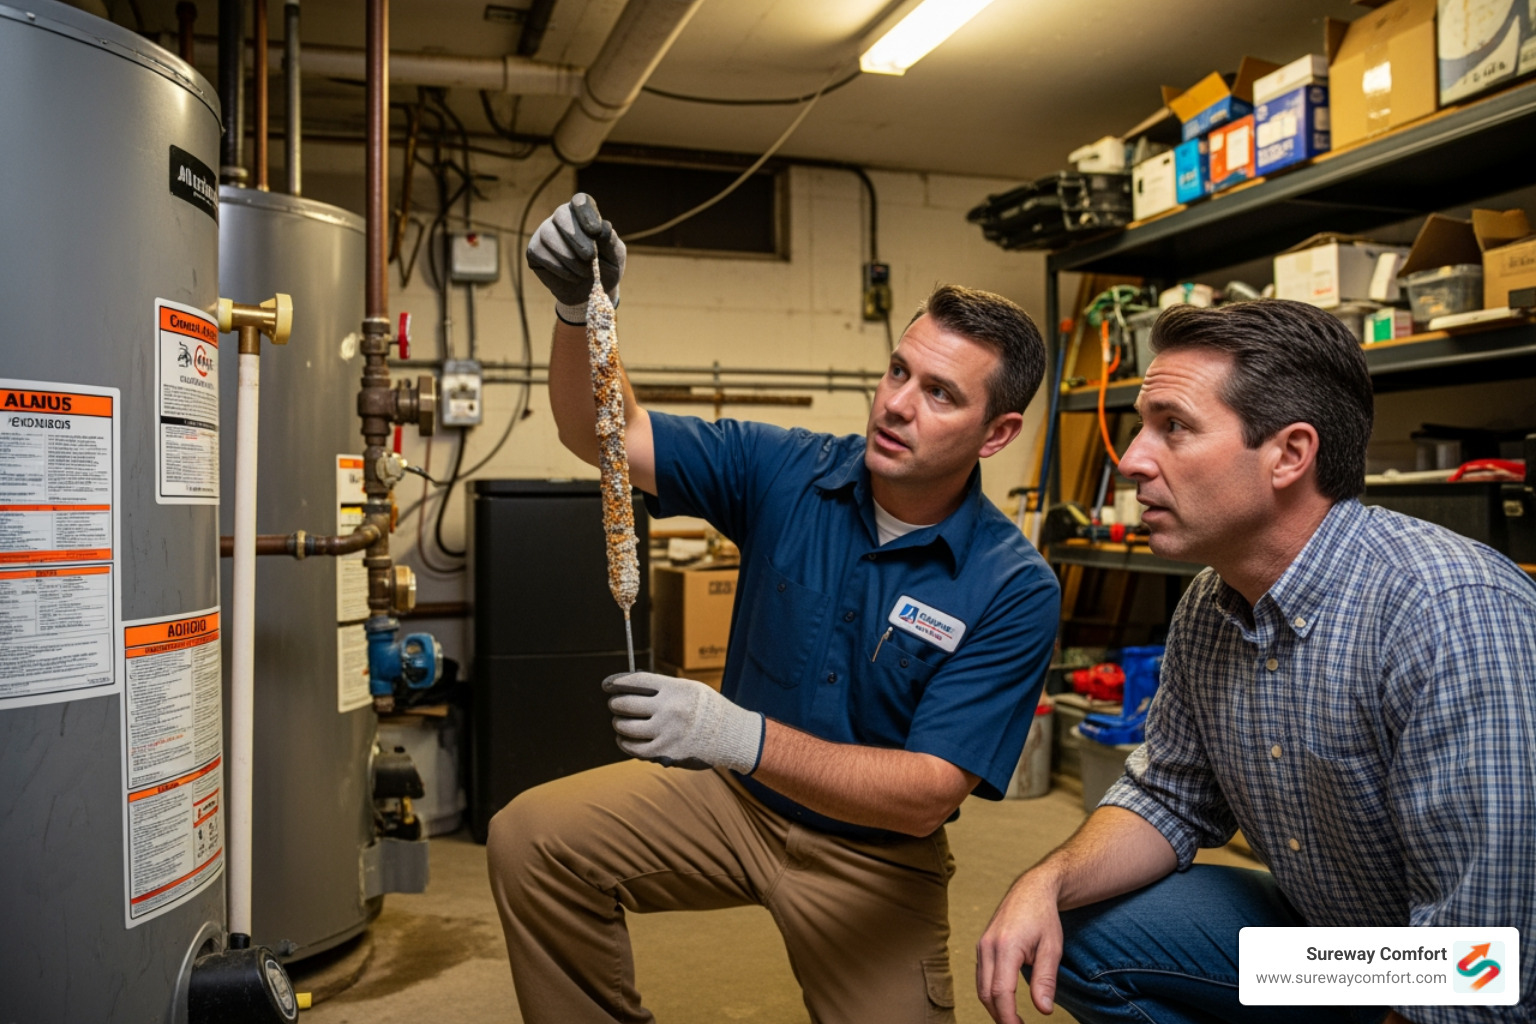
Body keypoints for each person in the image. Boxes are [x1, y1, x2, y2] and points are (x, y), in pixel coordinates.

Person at [485, 193, 1060, 1024]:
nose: (898, 404)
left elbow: (927, 793)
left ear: (996, 434)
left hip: (875, 856)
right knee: (531, 838)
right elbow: (607, 436)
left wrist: (735, 734)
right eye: (898, 371)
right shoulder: (786, 470)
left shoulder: (1012, 586)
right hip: (734, 803)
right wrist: (581, 313)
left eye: (940, 394)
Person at [976, 298, 1536, 1024]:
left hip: (1461, 967)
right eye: (1142, 427)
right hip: (1349, 956)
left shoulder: (1448, 610)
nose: (1132, 460)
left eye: (1173, 427)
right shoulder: (1210, 605)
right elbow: (1169, 795)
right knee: (1075, 933)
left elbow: (1486, 958)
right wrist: (1046, 882)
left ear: (1290, 455)